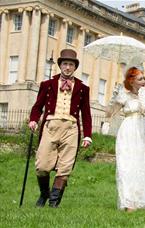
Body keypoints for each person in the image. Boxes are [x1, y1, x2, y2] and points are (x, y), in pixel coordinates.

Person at [28, 49, 92, 208]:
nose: (68, 67)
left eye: (71, 64)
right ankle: (44, 194)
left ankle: (54, 204)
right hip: (50, 126)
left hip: (71, 129)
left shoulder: (83, 88)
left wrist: (87, 135)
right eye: (65, 64)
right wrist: (33, 120)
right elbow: (37, 107)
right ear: (60, 65)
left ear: (75, 67)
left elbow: (86, 113)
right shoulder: (47, 85)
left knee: (65, 168)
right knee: (42, 165)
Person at [104, 67, 145, 212]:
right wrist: (113, 97)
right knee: (127, 164)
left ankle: (140, 199)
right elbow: (109, 114)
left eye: (144, 78)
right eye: (140, 78)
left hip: (144, 132)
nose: (144, 81)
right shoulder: (123, 95)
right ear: (131, 80)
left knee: (142, 164)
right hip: (129, 131)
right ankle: (129, 202)